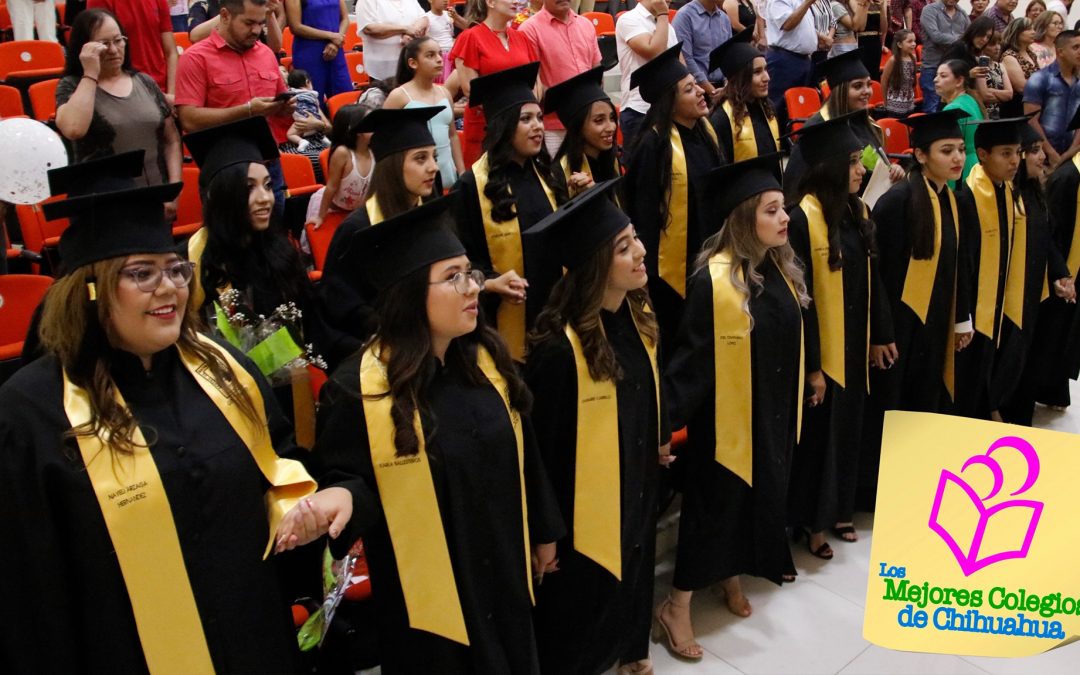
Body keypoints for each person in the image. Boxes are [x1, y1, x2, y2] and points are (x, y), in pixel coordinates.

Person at [0, 154, 348, 673]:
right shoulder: (31, 412)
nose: (169, 288)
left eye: (175, 269)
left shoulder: (226, 370)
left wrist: (309, 506)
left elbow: (281, 468)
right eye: (141, 274)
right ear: (91, 292)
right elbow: (30, 588)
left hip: (255, 639)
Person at [310, 195, 564, 675]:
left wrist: (544, 531)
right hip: (427, 605)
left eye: (470, 273)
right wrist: (342, 495)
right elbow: (351, 481)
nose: (473, 288)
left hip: (503, 572)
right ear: (408, 294)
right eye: (453, 277)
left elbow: (524, 449)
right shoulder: (358, 388)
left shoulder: (485, 360)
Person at [656, 154, 813, 660]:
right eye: (771, 211)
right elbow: (691, 363)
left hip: (769, 414)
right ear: (744, 220)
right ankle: (676, 605)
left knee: (755, 501)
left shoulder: (780, 269)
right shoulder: (714, 281)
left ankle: (729, 576)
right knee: (715, 509)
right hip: (724, 426)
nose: (785, 218)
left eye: (783, 207)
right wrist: (666, 424)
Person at [525, 179, 669, 675]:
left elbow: (649, 390)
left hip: (636, 484)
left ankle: (628, 650)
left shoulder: (635, 315)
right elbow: (543, 453)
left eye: (636, 239)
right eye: (624, 247)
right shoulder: (558, 351)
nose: (641, 251)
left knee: (633, 568)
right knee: (582, 606)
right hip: (581, 513)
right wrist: (546, 532)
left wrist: (657, 437)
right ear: (594, 267)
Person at [786, 114, 890, 554]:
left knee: (849, 426)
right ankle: (813, 521)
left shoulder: (856, 210)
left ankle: (841, 508)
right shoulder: (800, 219)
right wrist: (812, 367)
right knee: (820, 435)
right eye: (851, 162)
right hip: (822, 346)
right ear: (828, 165)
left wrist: (878, 333)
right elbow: (800, 298)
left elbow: (873, 276)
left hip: (854, 336)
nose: (861, 169)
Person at [859, 109, 973, 508]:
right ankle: (877, 494)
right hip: (900, 327)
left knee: (925, 401)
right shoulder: (897, 202)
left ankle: (915, 482)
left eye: (960, 149)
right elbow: (877, 275)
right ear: (921, 155)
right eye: (946, 151)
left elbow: (960, 265)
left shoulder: (953, 199)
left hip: (934, 321)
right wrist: (881, 333)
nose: (957, 158)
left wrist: (961, 319)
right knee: (892, 406)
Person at [183, 117, 349, 368]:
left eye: (268, 185)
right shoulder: (194, 265)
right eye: (249, 188)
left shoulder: (280, 251)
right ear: (220, 195)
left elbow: (316, 326)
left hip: (297, 383)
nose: (265, 199)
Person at [454, 63, 566, 361]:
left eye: (540, 118)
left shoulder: (549, 175)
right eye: (526, 119)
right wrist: (490, 283)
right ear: (504, 125)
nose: (538, 126)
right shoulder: (471, 186)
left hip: (555, 317)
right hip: (500, 322)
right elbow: (461, 266)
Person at [624, 43, 723, 353]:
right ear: (671, 101)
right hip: (670, 272)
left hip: (707, 254)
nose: (700, 93)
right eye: (689, 89)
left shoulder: (706, 132)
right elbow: (643, 213)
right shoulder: (653, 145)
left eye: (697, 86)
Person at [320, 106, 443, 347]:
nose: (433, 167)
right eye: (421, 158)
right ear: (393, 166)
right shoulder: (357, 229)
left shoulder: (434, 215)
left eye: (434, 157)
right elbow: (339, 305)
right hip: (382, 348)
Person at [55, 8, 182, 215]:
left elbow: (171, 139)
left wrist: (173, 191)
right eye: (104, 44)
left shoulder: (145, 81)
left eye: (118, 40)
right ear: (84, 48)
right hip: (105, 209)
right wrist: (90, 73)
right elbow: (74, 129)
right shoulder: (71, 86)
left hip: (155, 202)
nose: (114, 50)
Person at [175, 0, 296, 217]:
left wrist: (284, 108)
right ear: (225, 15)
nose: (257, 31)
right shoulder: (195, 58)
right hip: (224, 171)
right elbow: (189, 119)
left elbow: (276, 104)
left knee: (273, 241)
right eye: (249, 23)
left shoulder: (266, 54)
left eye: (260, 23)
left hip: (268, 167)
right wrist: (247, 110)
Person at [996, 123, 1075, 424]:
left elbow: (1047, 241)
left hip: (1033, 295)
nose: (1041, 157)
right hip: (1009, 298)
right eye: (1033, 151)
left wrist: (1060, 274)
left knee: (1028, 363)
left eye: (1039, 149)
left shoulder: (1033, 194)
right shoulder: (1004, 197)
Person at [952, 118, 1025, 419]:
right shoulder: (967, 197)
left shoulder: (1006, 190)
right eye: (1006, 153)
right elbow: (963, 264)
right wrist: (963, 318)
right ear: (982, 154)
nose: (1015, 161)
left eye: (1018, 152)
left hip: (996, 302)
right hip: (972, 313)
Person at [786, 51, 905, 190]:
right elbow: (797, 182)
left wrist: (891, 171)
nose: (867, 91)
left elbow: (876, 164)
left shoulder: (866, 123)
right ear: (840, 91)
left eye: (869, 84)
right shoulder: (818, 130)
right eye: (857, 86)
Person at [1030, 106, 1080, 410]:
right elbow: (1052, 232)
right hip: (1059, 271)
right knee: (1052, 332)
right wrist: (1059, 271)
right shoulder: (1067, 178)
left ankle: (1054, 390)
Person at [452, 0, 538, 167]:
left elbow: (536, 83)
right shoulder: (470, 37)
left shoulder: (521, 37)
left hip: (521, 126)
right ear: (490, 2)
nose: (516, 1)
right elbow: (470, 89)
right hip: (487, 125)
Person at [519, 0, 603, 157]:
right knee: (557, 179)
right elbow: (532, 84)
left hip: (587, 122)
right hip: (554, 127)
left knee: (592, 178)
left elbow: (596, 70)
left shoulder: (586, 24)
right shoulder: (529, 29)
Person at [385, 36, 466, 190]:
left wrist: (461, 170)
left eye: (439, 54)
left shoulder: (445, 92)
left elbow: (452, 135)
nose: (439, 59)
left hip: (446, 172)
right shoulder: (399, 96)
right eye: (430, 55)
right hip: (415, 175)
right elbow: (386, 139)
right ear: (412, 63)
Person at [708, 28, 781, 168]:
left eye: (766, 69)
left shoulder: (768, 108)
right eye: (757, 72)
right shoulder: (721, 119)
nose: (767, 78)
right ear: (740, 79)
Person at [616, 0, 680, 153]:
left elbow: (679, 66)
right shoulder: (628, 19)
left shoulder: (667, 27)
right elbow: (654, 52)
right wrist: (664, 15)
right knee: (642, 173)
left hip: (667, 109)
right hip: (639, 110)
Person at [544, 65, 622, 190]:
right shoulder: (560, 174)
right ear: (578, 126)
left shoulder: (612, 160)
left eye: (612, 118)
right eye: (599, 120)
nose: (611, 127)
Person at [87, 0, 178, 99]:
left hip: (160, 89)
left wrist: (172, 95)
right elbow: (99, 50)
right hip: (124, 91)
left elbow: (171, 52)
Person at [305, 103, 374, 230]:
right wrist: (320, 216)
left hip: (354, 212)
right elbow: (331, 186)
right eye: (371, 123)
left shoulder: (374, 150)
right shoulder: (343, 153)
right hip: (332, 209)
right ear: (356, 129)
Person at [1023, 29, 1080, 165]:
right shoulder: (1040, 79)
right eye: (1076, 47)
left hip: (1074, 155)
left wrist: (1071, 152)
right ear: (1060, 52)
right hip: (1044, 157)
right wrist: (1050, 153)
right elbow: (1031, 120)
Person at [764, 0, 819, 126]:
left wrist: (819, 37)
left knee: (801, 107)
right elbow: (787, 23)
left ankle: (797, 141)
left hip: (803, 60)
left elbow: (803, 27)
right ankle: (779, 142)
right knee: (780, 107)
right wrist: (807, 3)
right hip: (784, 61)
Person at [672, 0, 734, 108]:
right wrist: (711, 91)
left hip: (724, 90)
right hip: (696, 91)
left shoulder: (724, 18)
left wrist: (727, 86)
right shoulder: (685, 16)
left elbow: (729, 54)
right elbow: (686, 59)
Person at [284, 0, 352, 98]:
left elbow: (345, 18)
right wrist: (332, 36)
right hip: (309, 52)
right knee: (313, 98)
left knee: (345, 95)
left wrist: (336, 41)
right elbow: (295, 27)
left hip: (336, 50)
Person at [355, 0, 428, 84]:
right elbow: (369, 28)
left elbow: (424, 18)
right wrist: (405, 29)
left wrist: (411, 32)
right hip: (382, 68)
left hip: (411, 64)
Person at [937, 59, 986, 180]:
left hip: (962, 169)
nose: (935, 80)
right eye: (936, 75)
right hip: (976, 165)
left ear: (959, 81)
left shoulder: (952, 108)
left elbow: (947, 147)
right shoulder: (970, 99)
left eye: (943, 76)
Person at [919, 0, 970, 112]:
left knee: (955, 109)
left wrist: (963, 40)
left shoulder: (962, 13)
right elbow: (936, 37)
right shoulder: (930, 10)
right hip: (933, 66)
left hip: (955, 69)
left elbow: (969, 37)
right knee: (932, 109)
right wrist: (960, 40)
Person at [284, 69, 331, 155]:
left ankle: (302, 141)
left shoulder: (291, 94)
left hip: (304, 122)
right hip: (298, 140)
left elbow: (328, 127)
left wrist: (318, 124)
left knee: (290, 134)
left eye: (284, 71)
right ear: (307, 82)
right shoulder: (312, 94)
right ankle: (322, 138)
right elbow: (316, 104)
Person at [1001, 17, 1039, 118]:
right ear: (1017, 33)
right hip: (1017, 109)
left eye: (1033, 29)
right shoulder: (1009, 56)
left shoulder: (1032, 54)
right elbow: (1021, 87)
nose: (1033, 32)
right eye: (1029, 29)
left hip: (1035, 104)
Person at [882, 28, 918, 115]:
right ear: (899, 44)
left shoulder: (913, 58)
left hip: (909, 103)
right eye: (909, 41)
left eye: (914, 41)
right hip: (894, 104)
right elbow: (884, 80)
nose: (913, 44)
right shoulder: (893, 60)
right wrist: (885, 101)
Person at [980, 30, 1013, 119]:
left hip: (1000, 114)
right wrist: (1002, 95)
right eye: (992, 44)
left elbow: (1009, 94)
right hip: (983, 114)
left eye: (999, 43)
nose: (997, 47)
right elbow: (985, 96)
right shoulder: (978, 65)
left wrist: (990, 90)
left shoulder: (1000, 66)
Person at [426, 0, 458, 83]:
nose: (446, 0)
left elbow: (467, 27)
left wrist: (456, 17)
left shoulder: (449, 15)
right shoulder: (426, 18)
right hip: (439, 56)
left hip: (453, 55)